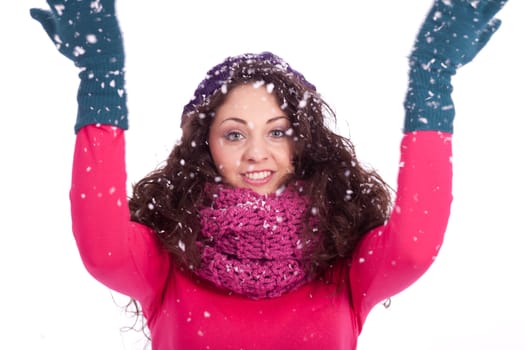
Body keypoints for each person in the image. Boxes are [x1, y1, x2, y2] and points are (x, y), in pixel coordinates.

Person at [30, 0, 507, 349]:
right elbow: (103, 247)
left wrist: (432, 81)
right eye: (234, 135)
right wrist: (100, 79)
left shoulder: (343, 262)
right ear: (206, 147)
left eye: (277, 132)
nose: (257, 153)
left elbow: (413, 247)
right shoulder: (170, 259)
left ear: (304, 142)